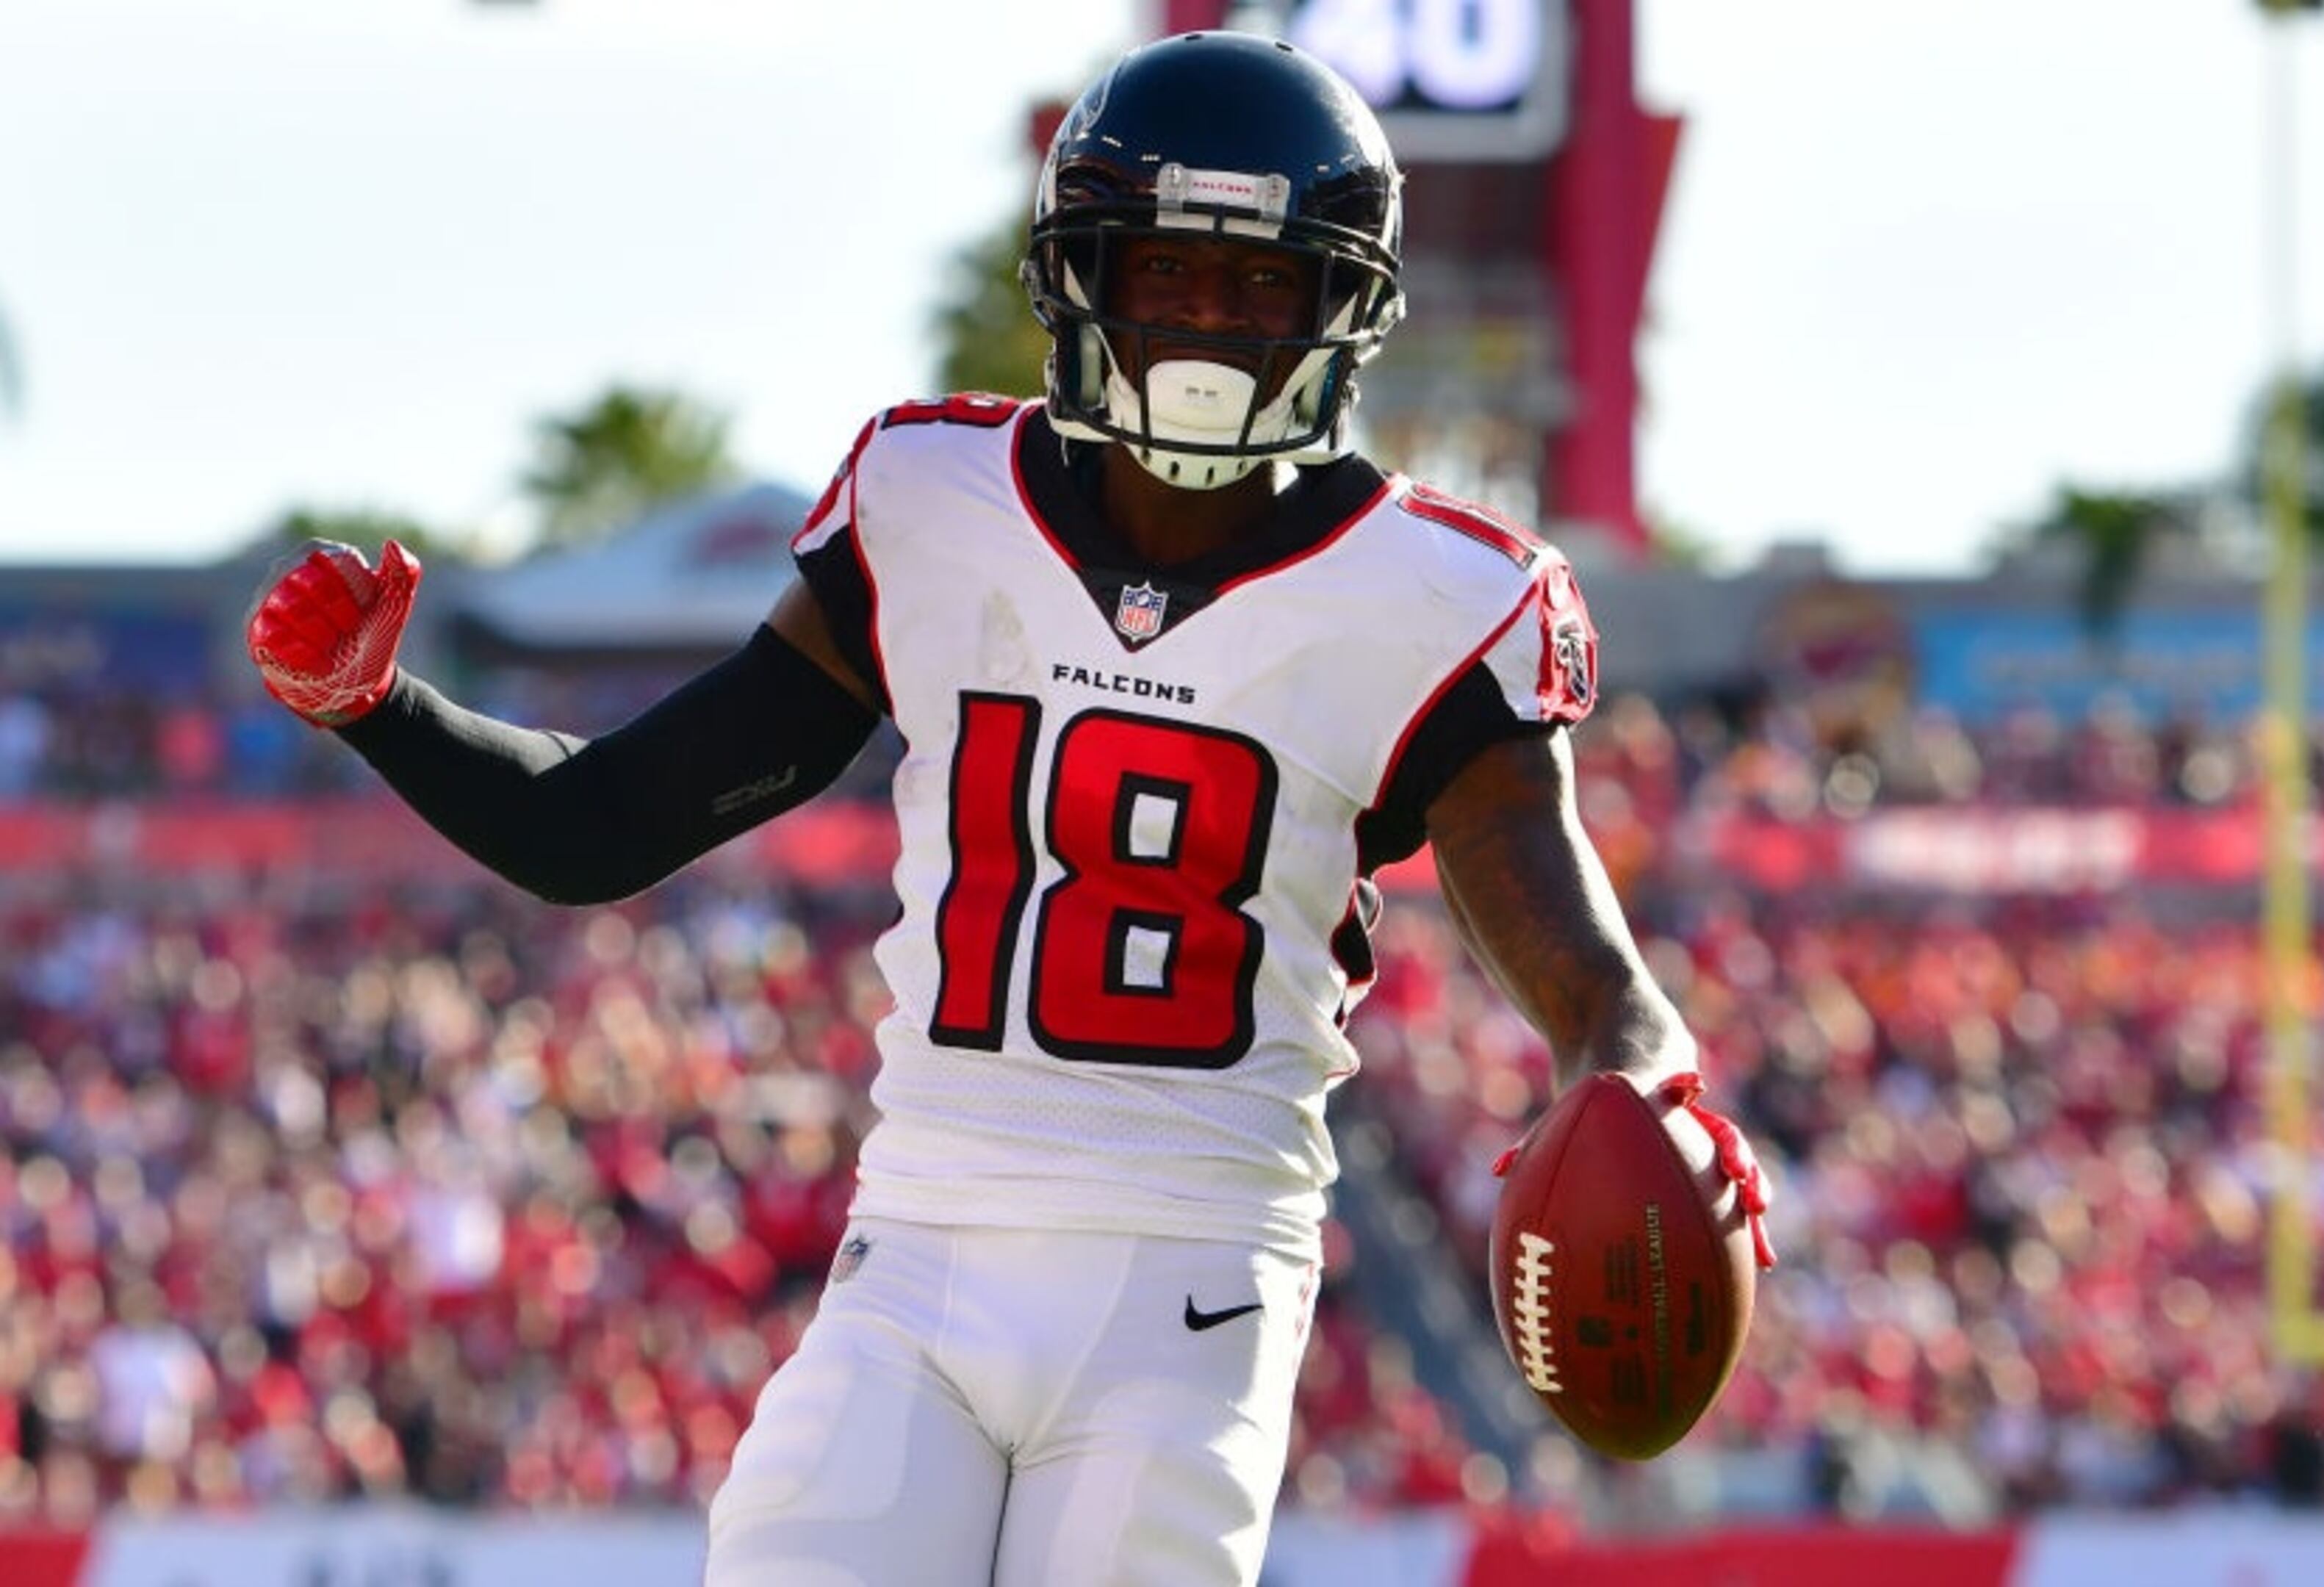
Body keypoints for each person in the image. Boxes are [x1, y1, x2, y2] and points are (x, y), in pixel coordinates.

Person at [245, 29, 1771, 1587]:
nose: (1211, 323)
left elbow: (1596, 984)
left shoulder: (1440, 600)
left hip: (1193, 1283)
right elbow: (606, 826)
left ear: (1341, 307)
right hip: (918, 1253)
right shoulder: (934, 506)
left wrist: (1653, 1087)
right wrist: (380, 711)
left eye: (1261, 284)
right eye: (1172, 269)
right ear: (1084, 272)